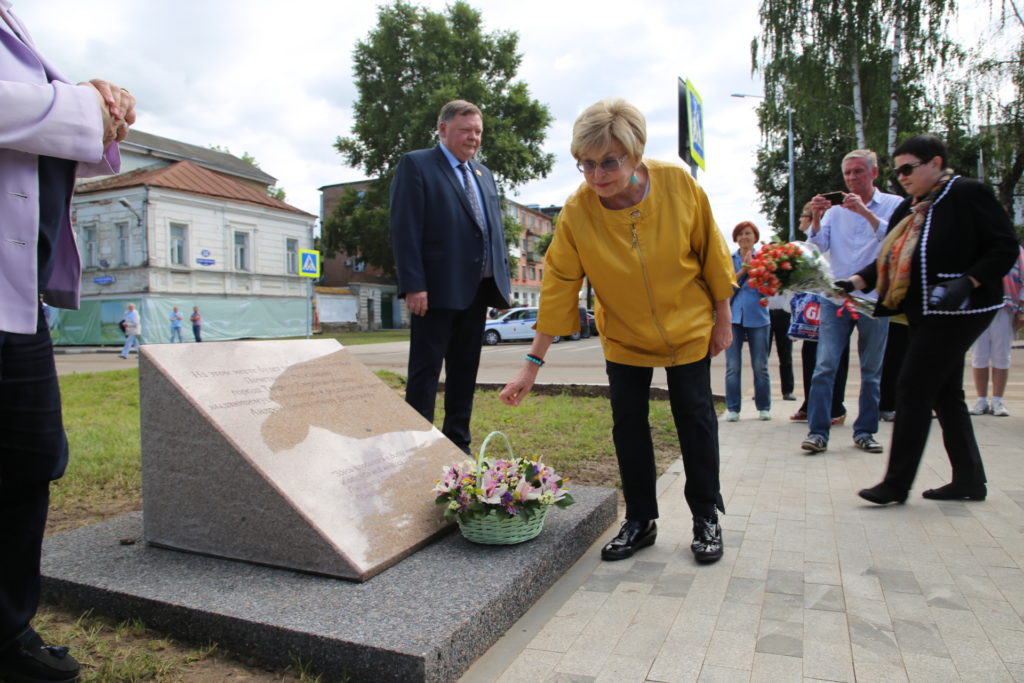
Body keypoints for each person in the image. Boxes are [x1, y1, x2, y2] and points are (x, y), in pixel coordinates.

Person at [499, 98, 735, 565]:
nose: (596, 175)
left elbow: (711, 251)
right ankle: (640, 519)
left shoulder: (677, 184)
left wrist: (722, 320)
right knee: (629, 426)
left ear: (636, 153)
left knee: (695, 420)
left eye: (608, 162)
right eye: (585, 164)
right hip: (624, 335)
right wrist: (531, 365)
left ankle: (706, 515)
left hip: (688, 328)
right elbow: (559, 286)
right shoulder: (578, 211)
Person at [1, 4, 135, 680]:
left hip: (18, 295)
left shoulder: (13, 24)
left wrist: (97, 109)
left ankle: (6, 632)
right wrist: (83, 104)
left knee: (31, 459)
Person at [846, 135, 1018, 505]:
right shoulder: (910, 207)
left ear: (936, 163)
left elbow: (1005, 246)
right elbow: (888, 258)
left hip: (961, 310)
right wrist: (854, 282)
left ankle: (896, 484)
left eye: (908, 168)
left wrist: (968, 281)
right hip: (924, 312)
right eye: (897, 172)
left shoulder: (967, 193)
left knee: (912, 387)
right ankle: (969, 479)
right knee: (945, 393)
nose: (902, 177)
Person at [389, 100, 512, 454]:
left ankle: (459, 442)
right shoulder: (417, 165)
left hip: (477, 291)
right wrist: (414, 284)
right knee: (425, 373)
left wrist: (501, 284)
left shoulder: (483, 174)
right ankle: (417, 447)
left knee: (464, 372)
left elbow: (493, 231)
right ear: (443, 129)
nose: (473, 138)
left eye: (478, 132)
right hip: (435, 292)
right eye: (465, 130)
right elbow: (404, 228)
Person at [801, 150, 903, 455]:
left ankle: (865, 432)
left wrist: (865, 212)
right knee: (825, 366)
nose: (851, 178)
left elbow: (894, 241)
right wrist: (817, 216)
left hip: (873, 299)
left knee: (872, 370)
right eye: (847, 173)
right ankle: (818, 432)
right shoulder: (835, 211)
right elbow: (816, 245)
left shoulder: (893, 204)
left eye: (858, 171)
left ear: (874, 173)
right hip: (836, 297)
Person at [789, 203, 850, 424]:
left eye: (803, 215)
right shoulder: (807, 244)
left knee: (834, 357)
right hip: (811, 310)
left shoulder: (831, 241)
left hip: (833, 304)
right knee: (810, 356)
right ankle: (810, 404)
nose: (800, 220)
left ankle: (836, 407)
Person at [968, 246, 1024, 417]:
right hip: (979, 307)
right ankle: (981, 400)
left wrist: (1022, 310)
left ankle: (998, 400)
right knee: (979, 355)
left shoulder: (1015, 250)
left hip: (1005, 307)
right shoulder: (978, 245)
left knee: (1002, 355)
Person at [724, 221, 771, 421]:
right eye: (741, 234)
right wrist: (743, 270)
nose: (744, 237)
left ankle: (764, 407)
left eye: (748, 233)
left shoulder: (765, 259)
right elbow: (725, 286)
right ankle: (733, 408)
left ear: (755, 237)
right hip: (733, 317)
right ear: (736, 238)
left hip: (758, 316)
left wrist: (757, 271)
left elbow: (771, 287)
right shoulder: (729, 259)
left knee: (760, 365)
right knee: (733, 366)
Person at [766, 293, 795, 401]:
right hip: (766, 314)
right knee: (762, 357)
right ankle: (761, 390)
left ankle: (787, 390)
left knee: (786, 356)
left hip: (785, 314)